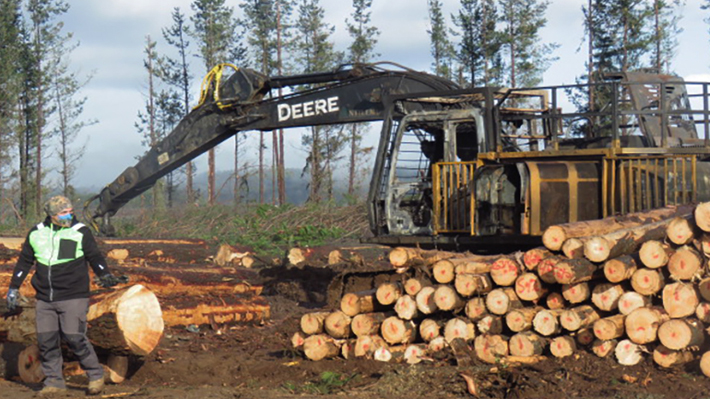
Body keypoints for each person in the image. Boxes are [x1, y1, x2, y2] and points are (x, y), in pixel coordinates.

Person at [6, 195, 124, 395]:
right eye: (63, 213)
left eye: (70, 211)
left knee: (74, 337)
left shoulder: (80, 232)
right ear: (51, 215)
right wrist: (13, 287)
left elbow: (94, 256)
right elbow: (24, 262)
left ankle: (95, 375)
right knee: (47, 341)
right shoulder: (37, 233)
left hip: (73, 295)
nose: (68, 215)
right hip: (45, 298)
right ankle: (54, 382)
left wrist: (105, 274)